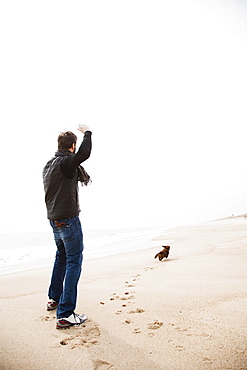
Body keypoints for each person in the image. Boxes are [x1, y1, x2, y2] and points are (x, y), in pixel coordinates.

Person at [42, 124, 92, 329]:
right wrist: (88, 133)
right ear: (72, 146)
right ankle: (65, 314)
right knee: (73, 261)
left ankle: (53, 299)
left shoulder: (49, 164)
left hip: (54, 220)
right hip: (68, 220)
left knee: (61, 257)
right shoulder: (65, 163)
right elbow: (85, 153)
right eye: (75, 146)